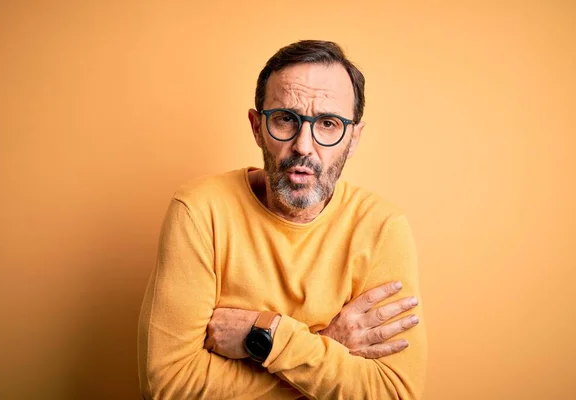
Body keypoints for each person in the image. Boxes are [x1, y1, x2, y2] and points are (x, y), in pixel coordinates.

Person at [138, 40, 427, 400]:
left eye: (328, 123)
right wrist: (327, 344)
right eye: (286, 119)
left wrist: (265, 337)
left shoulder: (382, 227)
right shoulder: (199, 211)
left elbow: (393, 393)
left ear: (353, 139)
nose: (304, 145)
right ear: (257, 127)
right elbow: (168, 386)